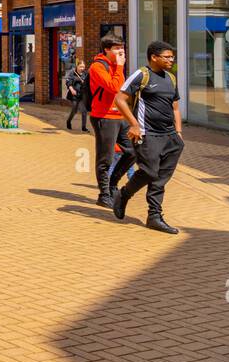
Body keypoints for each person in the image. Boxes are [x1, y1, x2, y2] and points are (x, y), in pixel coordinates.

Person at [112, 41, 184, 234]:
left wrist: (178, 133)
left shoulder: (171, 78)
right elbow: (119, 99)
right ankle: (123, 194)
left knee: (160, 178)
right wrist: (134, 124)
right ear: (154, 57)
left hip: (170, 136)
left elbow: (175, 107)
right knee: (150, 172)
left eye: (172, 57)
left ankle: (154, 216)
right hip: (147, 133)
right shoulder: (141, 75)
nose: (171, 60)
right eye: (167, 57)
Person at [88, 35, 133, 209]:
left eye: (122, 47)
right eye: (116, 48)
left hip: (120, 116)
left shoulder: (117, 67)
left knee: (133, 151)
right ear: (106, 49)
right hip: (104, 117)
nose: (121, 51)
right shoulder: (97, 67)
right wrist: (120, 67)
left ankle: (113, 183)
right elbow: (114, 87)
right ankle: (104, 194)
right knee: (105, 157)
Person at [64, 59, 88, 131]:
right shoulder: (72, 73)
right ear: (77, 66)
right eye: (80, 67)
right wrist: (72, 90)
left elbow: (88, 83)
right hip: (74, 95)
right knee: (74, 110)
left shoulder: (85, 74)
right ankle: (68, 121)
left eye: (83, 67)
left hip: (82, 95)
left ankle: (84, 127)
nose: (82, 68)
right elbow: (68, 82)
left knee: (84, 111)